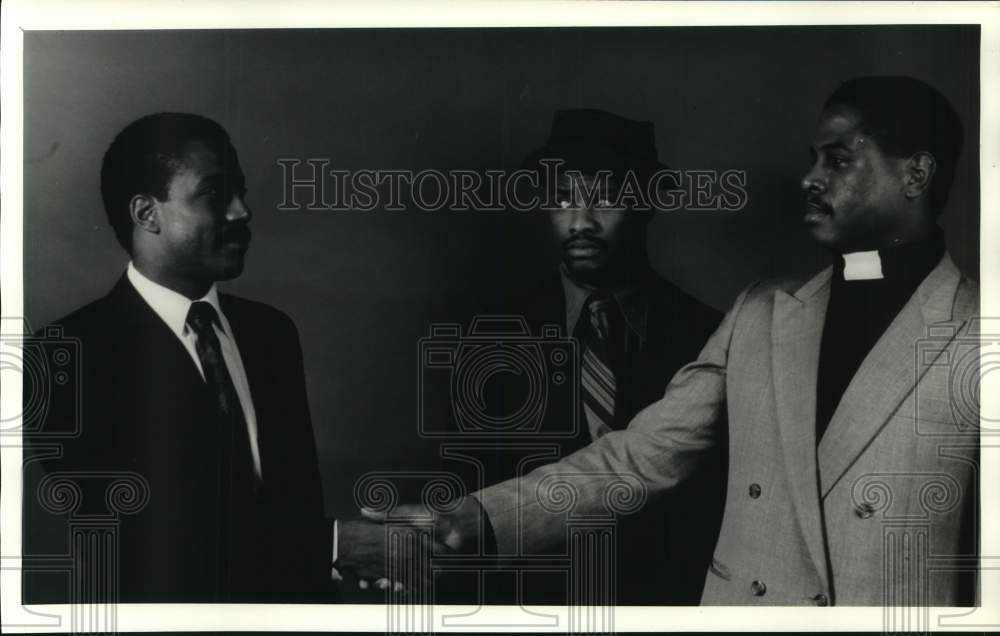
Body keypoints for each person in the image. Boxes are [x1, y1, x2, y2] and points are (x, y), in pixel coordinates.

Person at [338, 76, 979, 606]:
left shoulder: (983, 328)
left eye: (837, 159)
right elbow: (640, 455)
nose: (810, 178)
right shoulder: (763, 310)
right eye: (813, 158)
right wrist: (474, 519)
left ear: (917, 174)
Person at [22, 113, 335, 603]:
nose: (242, 212)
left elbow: (293, 506)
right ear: (147, 214)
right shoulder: (63, 359)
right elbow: (148, 542)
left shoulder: (271, 333)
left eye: (241, 192)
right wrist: (337, 546)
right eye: (215, 193)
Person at [435, 109, 724, 605]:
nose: (581, 221)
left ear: (648, 204)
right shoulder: (489, 336)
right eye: (563, 198)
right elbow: (463, 501)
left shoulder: (711, 334)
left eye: (607, 198)